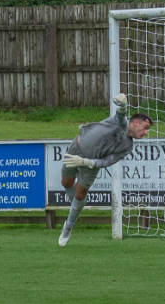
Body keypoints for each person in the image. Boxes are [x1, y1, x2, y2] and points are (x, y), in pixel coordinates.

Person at [57, 94, 151, 247]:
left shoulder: (128, 147)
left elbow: (108, 161)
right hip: (76, 148)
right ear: (134, 123)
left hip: (91, 163)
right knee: (66, 182)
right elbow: (120, 116)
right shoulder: (120, 123)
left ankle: (68, 226)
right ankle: (76, 208)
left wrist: (87, 162)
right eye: (145, 128)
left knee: (80, 194)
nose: (146, 132)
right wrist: (123, 106)